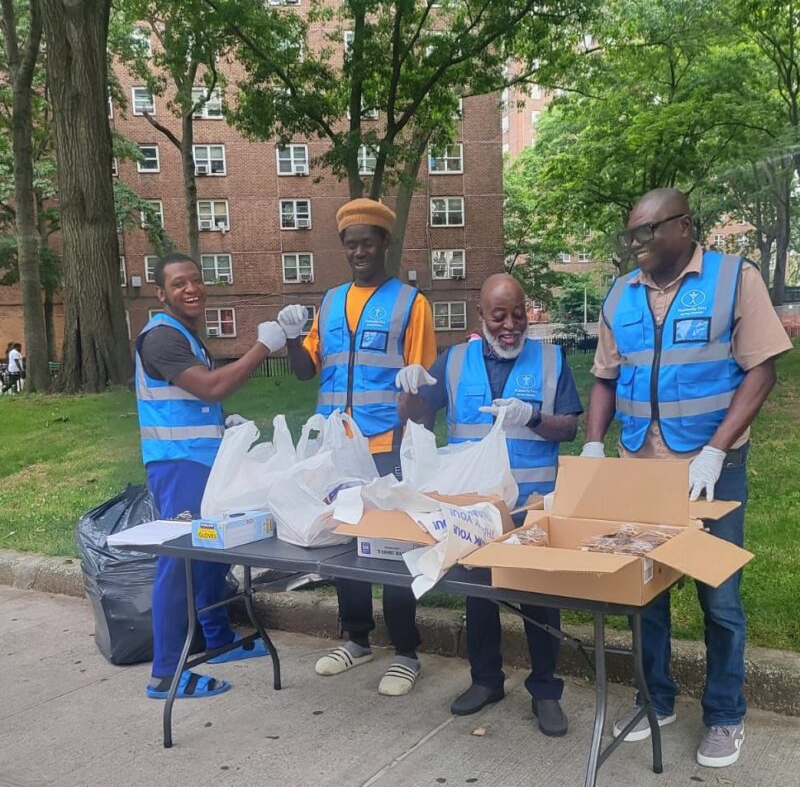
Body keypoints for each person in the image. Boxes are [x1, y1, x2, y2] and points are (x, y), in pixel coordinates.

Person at [581, 188, 792, 767]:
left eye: (647, 232)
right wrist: (595, 444)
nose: (637, 244)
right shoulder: (620, 294)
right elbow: (604, 376)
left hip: (709, 471)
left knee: (718, 598)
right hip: (638, 469)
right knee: (644, 592)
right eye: (631, 235)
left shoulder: (732, 278)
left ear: (684, 227)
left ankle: (725, 714)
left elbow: (762, 369)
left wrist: (716, 451)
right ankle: (656, 701)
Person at [396, 273, 582, 736]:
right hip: (475, 508)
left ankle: (544, 691)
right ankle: (485, 681)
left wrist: (534, 415)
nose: (510, 325)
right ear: (481, 315)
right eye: (499, 315)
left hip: (533, 506)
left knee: (539, 599)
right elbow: (418, 416)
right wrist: (411, 387)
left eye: (518, 314)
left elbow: (569, 428)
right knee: (479, 597)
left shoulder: (551, 358)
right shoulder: (455, 360)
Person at [277, 198, 437, 697]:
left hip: (386, 442)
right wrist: (287, 337)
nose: (359, 252)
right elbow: (307, 370)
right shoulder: (328, 302)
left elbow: (425, 384)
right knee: (343, 544)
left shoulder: (412, 303)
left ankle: (406, 651)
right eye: (351, 244)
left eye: (368, 242)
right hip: (335, 449)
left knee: (390, 548)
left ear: (385, 243)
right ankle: (357, 639)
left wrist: (416, 391)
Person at [135, 253, 288, 699]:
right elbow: (213, 385)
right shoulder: (161, 337)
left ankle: (217, 640)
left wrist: (223, 422)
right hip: (178, 464)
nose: (192, 289)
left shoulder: (184, 335)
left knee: (209, 551)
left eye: (197, 281)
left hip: (202, 460)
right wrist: (264, 346)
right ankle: (166, 675)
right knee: (180, 560)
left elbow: (197, 400)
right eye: (179, 283)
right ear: (161, 293)